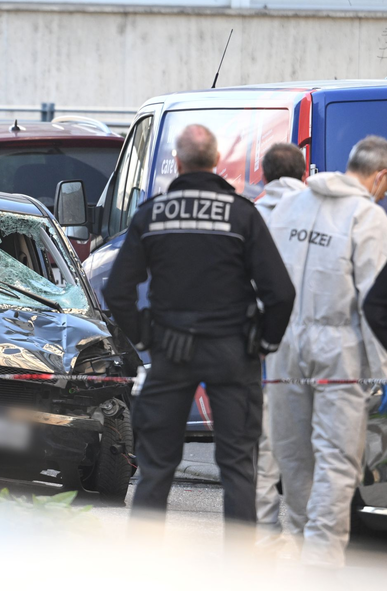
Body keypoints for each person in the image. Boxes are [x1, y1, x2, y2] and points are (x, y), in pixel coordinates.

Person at [104, 124, 295, 526]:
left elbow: (119, 290)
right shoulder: (242, 214)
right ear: (215, 161)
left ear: (178, 161)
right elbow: (280, 292)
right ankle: (238, 573)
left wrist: (145, 334)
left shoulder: (153, 213)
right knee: (239, 470)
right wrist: (263, 342)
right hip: (233, 353)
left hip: (170, 351)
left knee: (156, 469)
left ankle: (143, 568)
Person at [267, 135, 387, 567]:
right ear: (380, 175)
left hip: (283, 349)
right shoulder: (368, 217)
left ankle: (302, 543)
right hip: (340, 351)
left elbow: (261, 279)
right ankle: (321, 563)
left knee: (294, 455)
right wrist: (379, 373)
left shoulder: (289, 207)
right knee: (336, 458)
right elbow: (375, 301)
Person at [253, 143, 306, 538]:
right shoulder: (317, 213)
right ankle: (307, 530)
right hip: (316, 340)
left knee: (266, 440)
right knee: (310, 440)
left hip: (265, 342)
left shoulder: (252, 214)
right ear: (304, 173)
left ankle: (264, 528)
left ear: (264, 174)